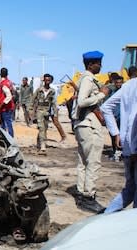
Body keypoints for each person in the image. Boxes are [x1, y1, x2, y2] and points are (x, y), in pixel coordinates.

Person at [71, 51, 109, 213]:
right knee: (93, 161)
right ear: (90, 64)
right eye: (98, 63)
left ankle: (82, 192)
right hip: (89, 125)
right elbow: (82, 101)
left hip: (83, 124)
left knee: (84, 162)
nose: (100, 66)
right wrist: (101, 95)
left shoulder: (84, 79)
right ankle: (88, 196)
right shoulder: (88, 79)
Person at [101, 77, 137, 213]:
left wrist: (116, 133)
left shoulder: (128, 85)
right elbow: (135, 118)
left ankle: (105, 217)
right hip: (133, 149)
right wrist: (135, 148)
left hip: (128, 147)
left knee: (130, 189)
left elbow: (106, 107)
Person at [31, 73, 57, 153]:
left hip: (47, 112)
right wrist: (31, 111)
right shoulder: (39, 90)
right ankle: (43, 145)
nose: (47, 81)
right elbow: (33, 99)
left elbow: (53, 103)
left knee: (45, 128)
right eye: (46, 80)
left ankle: (39, 143)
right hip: (39, 110)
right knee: (41, 128)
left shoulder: (52, 91)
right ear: (44, 80)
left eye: (49, 80)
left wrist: (55, 113)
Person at [0, 67, 15, 137]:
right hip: (9, 107)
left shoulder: (3, 84)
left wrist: (1, 105)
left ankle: (9, 139)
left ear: (0, 74)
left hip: (5, 108)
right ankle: (6, 138)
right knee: (5, 123)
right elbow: (13, 93)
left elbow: (9, 96)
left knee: (5, 124)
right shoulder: (9, 82)